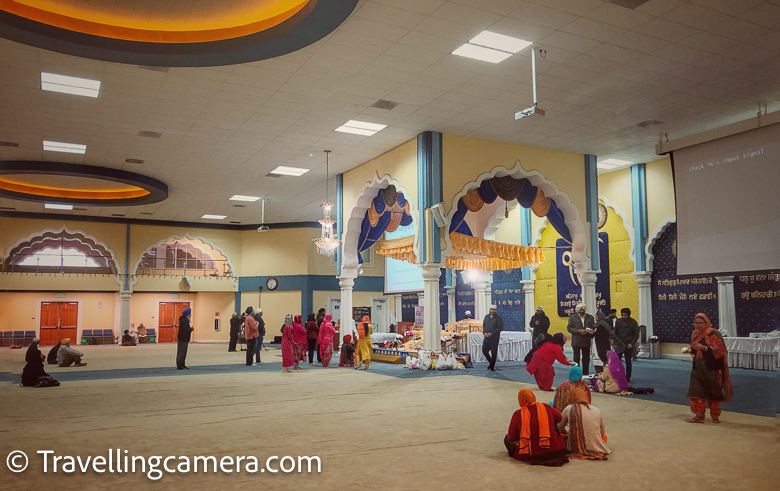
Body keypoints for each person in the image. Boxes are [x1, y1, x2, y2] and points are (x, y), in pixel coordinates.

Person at [683, 313, 733, 424]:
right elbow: (696, 350)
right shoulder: (695, 334)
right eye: (696, 323)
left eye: (700, 323)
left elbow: (720, 350)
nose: (698, 325)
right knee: (696, 391)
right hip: (698, 368)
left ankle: (715, 416)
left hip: (712, 368)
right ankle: (699, 415)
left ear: (706, 323)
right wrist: (690, 350)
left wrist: (705, 348)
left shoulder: (714, 334)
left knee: (713, 391)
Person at [504, 388, 569, 467]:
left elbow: (512, 437)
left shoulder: (517, 414)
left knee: (507, 439)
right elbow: (559, 418)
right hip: (555, 450)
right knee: (553, 423)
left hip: (531, 453)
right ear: (533, 396)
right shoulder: (546, 407)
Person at [558, 388, 610, 460]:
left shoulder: (569, 408)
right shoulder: (596, 410)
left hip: (573, 447)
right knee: (604, 437)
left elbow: (559, 428)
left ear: (572, 398)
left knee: (561, 435)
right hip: (596, 446)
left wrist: (568, 433)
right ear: (585, 397)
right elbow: (602, 432)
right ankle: (595, 446)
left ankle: (578, 447)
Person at [567, 303, 595, 375]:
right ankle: (576, 373)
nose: (582, 311)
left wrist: (589, 331)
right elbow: (569, 328)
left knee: (586, 358)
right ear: (578, 310)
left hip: (586, 341)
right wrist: (578, 331)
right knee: (576, 358)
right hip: (576, 341)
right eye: (580, 309)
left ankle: (585, 374)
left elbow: (593, 327)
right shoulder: (572, 317)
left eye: (583, 309)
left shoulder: (590, 317)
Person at [613, 308, 639, 382]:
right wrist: (615, 343)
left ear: (628, 315)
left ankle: (628, 377)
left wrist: (632, 343)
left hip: (628, 344)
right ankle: (617, 376)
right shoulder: (618, 321)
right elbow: (615, 333)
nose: (623, 316)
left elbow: (636, 335)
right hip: (619, 343)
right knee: (617, 362)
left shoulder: (633, 322)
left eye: (625, 315)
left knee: (628, 361)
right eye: (622, 315)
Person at [482, 305, 504, 371]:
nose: (492, 310)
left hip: (494, 338)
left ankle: (492, 366)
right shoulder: (486, 317)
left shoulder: (499, 318)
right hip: (486, 337)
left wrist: (492, 334)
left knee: (494, 352)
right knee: (484, 351)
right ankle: (491, 362)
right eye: (491, 309)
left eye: (494, 309)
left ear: (495, 310)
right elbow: (484, 326)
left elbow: (500, 328)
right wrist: (484, 333)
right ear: (489, 310)